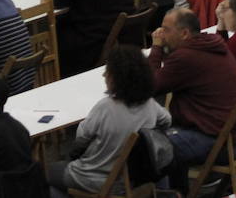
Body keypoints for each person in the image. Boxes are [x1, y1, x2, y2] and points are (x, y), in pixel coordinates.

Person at [148, 7, 236, 189]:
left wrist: (157, 47)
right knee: (162, 141)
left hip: (226, 143)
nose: (161, 34)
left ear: (184, 33)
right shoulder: (212, 44)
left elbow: (149, 85)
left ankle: (174, 194)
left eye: (166, 30)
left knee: (156, 146)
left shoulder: (186, 57)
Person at [49, 44, 170, 198]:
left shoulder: (105, 107)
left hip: (96, 179)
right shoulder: (149, 104)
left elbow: (81, 137)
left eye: (107, 71)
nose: (104, 75)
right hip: (133, 180)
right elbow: (167, 120)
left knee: (45, 174)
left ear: (117, 77)